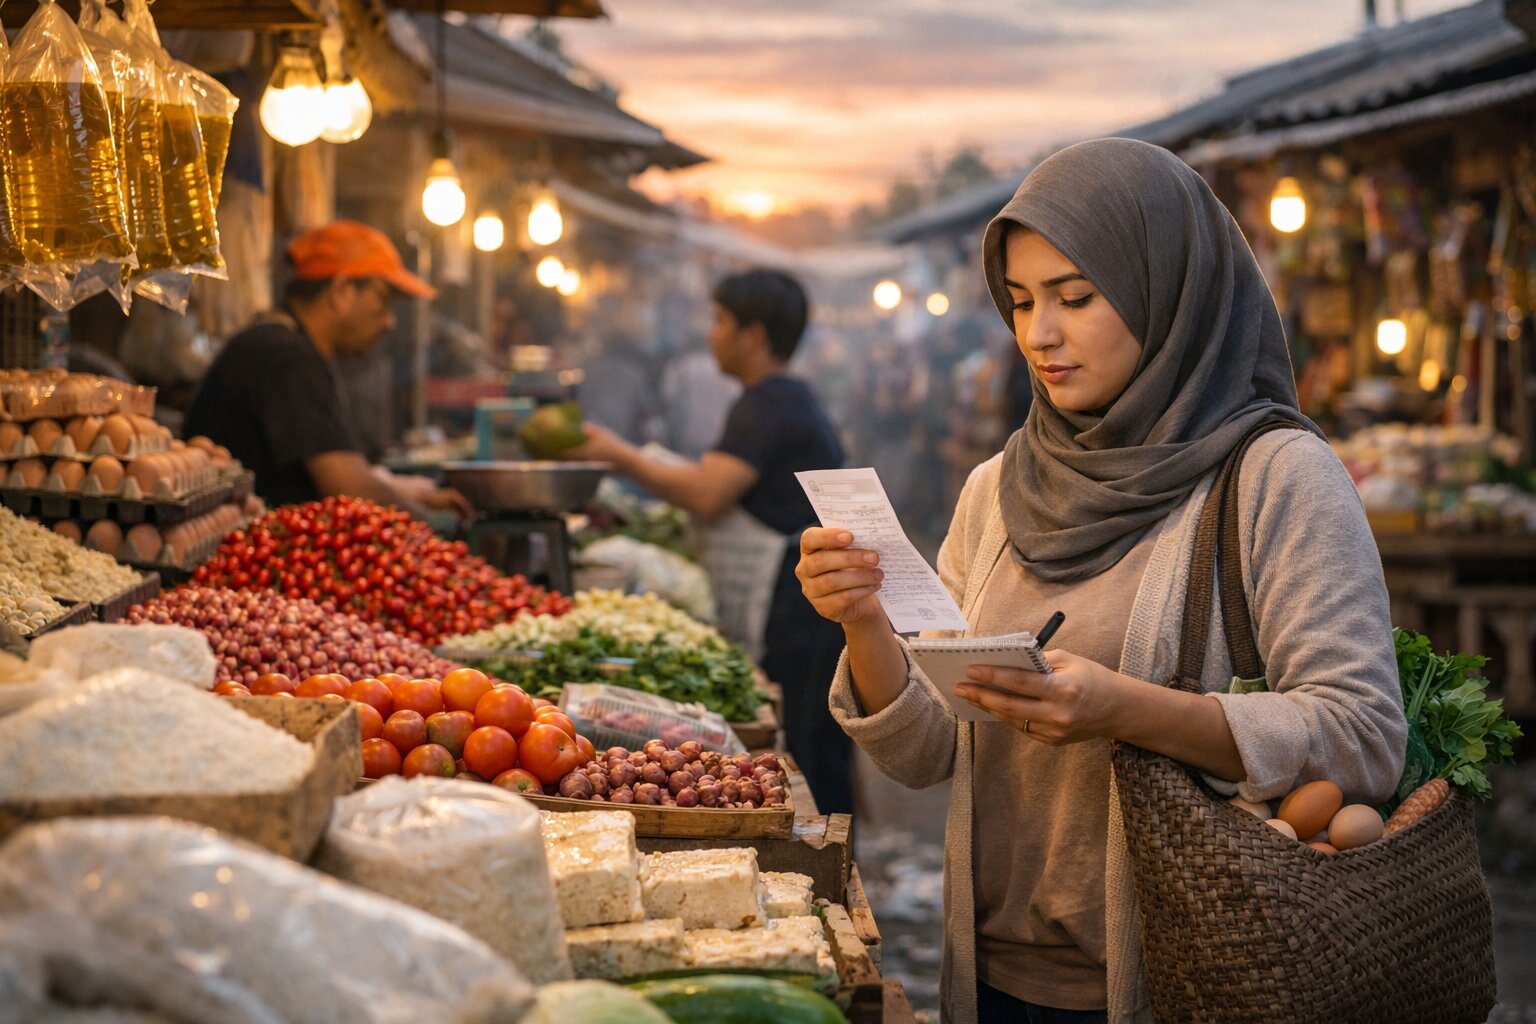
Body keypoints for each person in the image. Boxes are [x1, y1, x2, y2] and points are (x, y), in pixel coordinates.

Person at [795, 139, 1407, 1024]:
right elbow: (929, 752)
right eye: (1020, 302)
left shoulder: (1275, 476)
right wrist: (864, 622)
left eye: (1076, 297)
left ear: (1168, 291)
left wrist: (1129, 711)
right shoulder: (998, 490)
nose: (1039, 334)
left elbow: (1363, 733)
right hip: (996, 979)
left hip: (1185, 977)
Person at [569, 268, 854, 816]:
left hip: (800, 606)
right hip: (806, 600)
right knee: (815, 744)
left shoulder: (768, 402)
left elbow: (707, 493)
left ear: (754, 335)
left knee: (811, 752)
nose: (711, 334)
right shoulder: (780, 398)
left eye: (721, 321)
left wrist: (620, 455)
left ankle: (825, 862)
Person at [186, 221, 469, 519]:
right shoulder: (284, 355)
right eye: (383, 301)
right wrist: (429, 531)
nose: (389, 322)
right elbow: (347, 486)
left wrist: (407, 493)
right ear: (341, 292)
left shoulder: (293, 346)